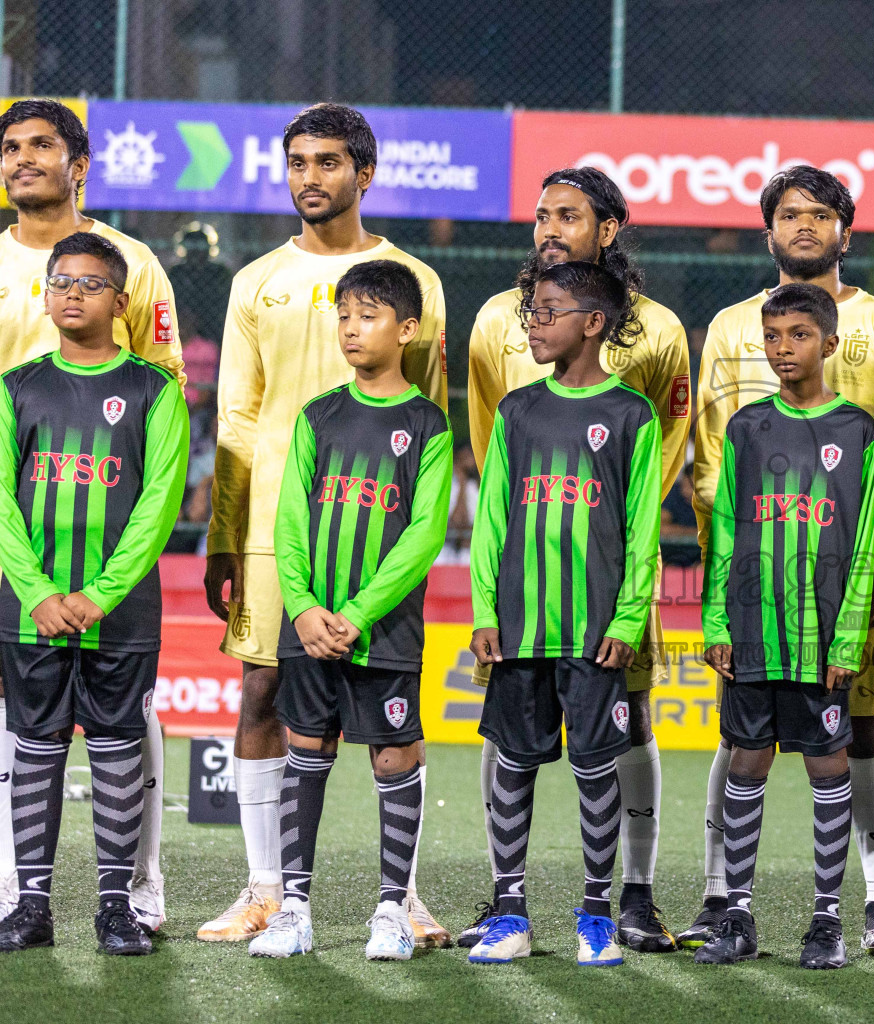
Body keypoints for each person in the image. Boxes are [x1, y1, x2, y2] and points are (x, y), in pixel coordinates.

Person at [199, 103, 449, 947]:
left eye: (329, 162)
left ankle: (402, 896)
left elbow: (431, 413)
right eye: (298, 162)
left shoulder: (414, 279)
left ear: (364, 173)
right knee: (264, 692)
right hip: (281, 532)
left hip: (378, 533)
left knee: (391, 717)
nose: (312, 177)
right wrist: (226, 534)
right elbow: (236, 418)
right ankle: (266, 888)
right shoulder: (255, 279)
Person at [688, 165, 874, 955]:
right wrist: (720, 598)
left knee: (861, 730)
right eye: (788, 214)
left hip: (843, 588)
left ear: (844, 230)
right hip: (756, 590)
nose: (802, 226)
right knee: (741, 745)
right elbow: (714, 466)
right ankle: (724, 897)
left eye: (818, 214)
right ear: (769, 231)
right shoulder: (730, 327)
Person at [463, 166, 689, 953]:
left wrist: (629, 610)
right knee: (513, 759)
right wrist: (484, 607)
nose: (534, 323)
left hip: (599, 622)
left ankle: (608, 909)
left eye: (549, 314)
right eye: (540, 214)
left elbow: (641, 516)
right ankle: (509, 908)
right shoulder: (518, 405)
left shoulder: (635, 400)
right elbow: (491, 510)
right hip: (521, 621)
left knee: (608, 758)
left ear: (592, 322)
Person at [0, 98, 185, 931]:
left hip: (105, 540)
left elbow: (159, 407)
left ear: (79, 163)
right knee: (18, 726)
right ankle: (17, 894)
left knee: (124, 725)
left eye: (42, 145)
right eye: (10, 147)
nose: (22, 160)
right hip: (16, 528)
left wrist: (106, 584)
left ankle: (132, 894)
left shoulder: (136, 263)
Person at [248, 261, 451, 961]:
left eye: (368, 316)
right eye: (344, 316)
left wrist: (358, 613)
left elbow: (425, 533)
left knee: (394, 756)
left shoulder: (427, 423)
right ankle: (293, 909)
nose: (352, 329)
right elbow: (291, 520)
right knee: (305, 754)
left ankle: (393, 909)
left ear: (408, 329)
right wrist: (302, 608)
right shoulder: (319, 416)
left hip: (383, 632)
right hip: (309, 629)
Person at [690, 283, 874, 969]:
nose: (783, 349)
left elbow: (864, 542)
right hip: (749, 631)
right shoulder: (746, 426)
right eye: (772, 337)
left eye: (798, 335)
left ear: (829, 343)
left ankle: (826, 921)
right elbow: (727, 529)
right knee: (745, 758)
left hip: (820, 638)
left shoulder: (856, 430)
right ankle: (736, 915)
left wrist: (850, 636)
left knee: (829, 764)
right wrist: (716, 620)